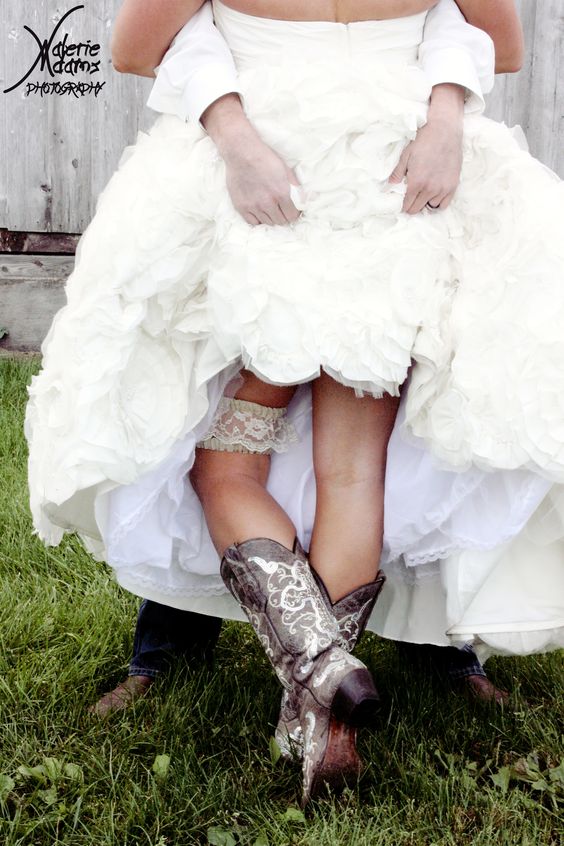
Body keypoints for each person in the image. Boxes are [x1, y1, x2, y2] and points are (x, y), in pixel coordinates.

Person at [25, 0, 564, 805]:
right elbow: (498, 41)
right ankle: (322, 721)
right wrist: (447, 111)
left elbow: (137, 46)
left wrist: (233, 133)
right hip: (391, 175)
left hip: (272, 172)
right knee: (354, 469)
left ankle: (320, 672)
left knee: (219, 457)